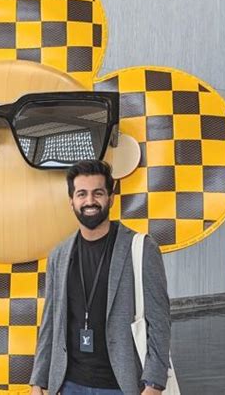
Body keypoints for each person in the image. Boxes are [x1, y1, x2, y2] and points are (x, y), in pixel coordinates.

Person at [29, 160, 170, 395]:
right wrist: (38, 381)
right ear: (71, 201)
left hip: (122, 385)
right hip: (68, 384)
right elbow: (50, 324)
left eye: (98, 193)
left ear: (111, 198)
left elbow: (160, 322)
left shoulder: (141, 248)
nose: (90, 201)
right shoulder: (59, 255)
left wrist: (154, 384)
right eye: (81, 194)